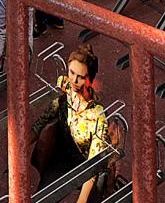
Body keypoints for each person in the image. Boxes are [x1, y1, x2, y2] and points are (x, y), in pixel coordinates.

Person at [31, 42, 111, 203]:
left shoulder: (97, 116)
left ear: (90, 79)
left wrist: (81, 199)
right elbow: (42, 121)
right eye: (72, 73)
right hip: (63, 157)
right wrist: (19, 146)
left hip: (86, 165)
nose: (74, 80)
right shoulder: (65, 86)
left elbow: (93, 164)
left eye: (81, 77)